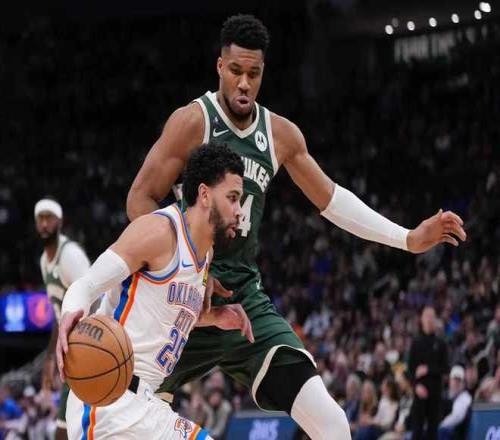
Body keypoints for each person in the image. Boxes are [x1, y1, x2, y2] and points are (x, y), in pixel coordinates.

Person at [127, 14, 466, 440]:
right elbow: (139, 198)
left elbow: (332, 200)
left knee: (333, 424)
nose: (244, 83)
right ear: (220, 67)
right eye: (235, 71)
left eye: (254, 74)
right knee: (119, 412)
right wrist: (190, 270)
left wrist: (408, 238)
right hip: (182, 301)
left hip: (244, 301)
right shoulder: (192, 122)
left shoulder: (280, 135)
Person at [56, 143, 253, 440]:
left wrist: (215, 317)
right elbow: (87, 285)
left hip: (148, 404)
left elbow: (162, 310)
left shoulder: (205, 254)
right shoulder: (159, 232)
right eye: (233, 198)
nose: (240, 212)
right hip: (109, 399)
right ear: (204, 195)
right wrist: (71, 313)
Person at [35, 197, 91, 440]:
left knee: (65, 431)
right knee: (69, 430)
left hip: (88, 347)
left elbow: (95, 298)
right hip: (72, 353)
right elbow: (59, 317)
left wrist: (91, 348)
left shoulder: (70, 255)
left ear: (59, 221)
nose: (44, 224)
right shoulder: (44, 262)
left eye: (49, 218)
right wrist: (50, 358)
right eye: (40, 219)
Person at [408, 306, 449, 440]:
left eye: (432, 317)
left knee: (433, 432)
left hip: (435, 393)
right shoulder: (415, 343)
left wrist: (428, 369)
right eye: (427, 316)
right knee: (417, 431)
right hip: (419, 393)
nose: (430, 319)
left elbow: (445, 368)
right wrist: (416, 386)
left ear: (436, 320)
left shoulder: (441, 343)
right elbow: (410, 370)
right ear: (422, 319)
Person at [438, 365, 472, 440]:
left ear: (463, 383)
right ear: (450, 381)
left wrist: (440, 426)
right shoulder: (444, 396)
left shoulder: (465, 397)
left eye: (459, 381)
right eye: (454, 380)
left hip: (458, 434)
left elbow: (457, 417)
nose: (456, 383)